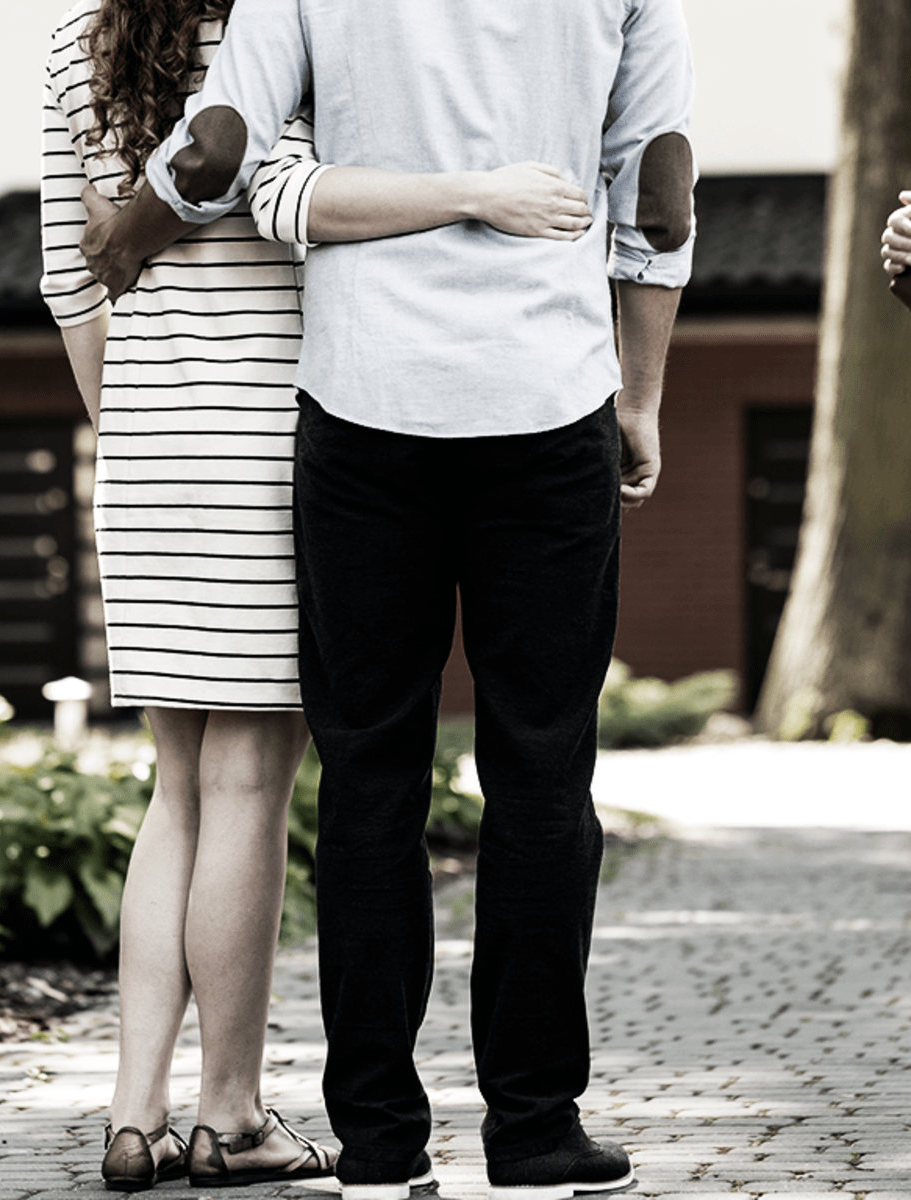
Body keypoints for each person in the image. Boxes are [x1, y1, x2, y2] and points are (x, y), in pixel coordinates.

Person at [75, 2, 696, 1198]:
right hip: (547, 399)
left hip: (363, 412)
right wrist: (641, 396)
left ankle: (377, 1141)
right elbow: (658, 194)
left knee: (370, 778)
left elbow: (218, 148)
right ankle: (533, 1128)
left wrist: (128, 236)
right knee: (542, 775)